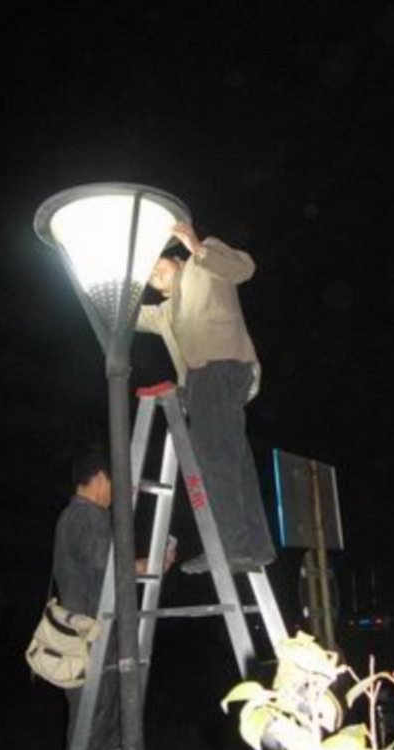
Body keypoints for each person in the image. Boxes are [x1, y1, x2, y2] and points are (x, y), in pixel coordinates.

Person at [137, 221, 276, 575]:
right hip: (207, 382)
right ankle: (255, 546)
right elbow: (128, 317)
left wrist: (196, 247)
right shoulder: (166, 311)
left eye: (157, 265)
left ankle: (230, 547)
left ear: (175, 258)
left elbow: (244, 268)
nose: (154, 275)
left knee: (213, 458)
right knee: (234, 459)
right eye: (149, 278)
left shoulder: (203, 260)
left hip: (220, 368)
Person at [53, 449, 175, 750]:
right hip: (93, 642)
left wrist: (145, 565)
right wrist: (148, 564)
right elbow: (109, 565)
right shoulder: (85, 515)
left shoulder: (75, 516)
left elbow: (104, 567)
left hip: (88, 640)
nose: (116, 494)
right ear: (101, 478)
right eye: (114, 484)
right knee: (93, 740)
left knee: (97, 740)